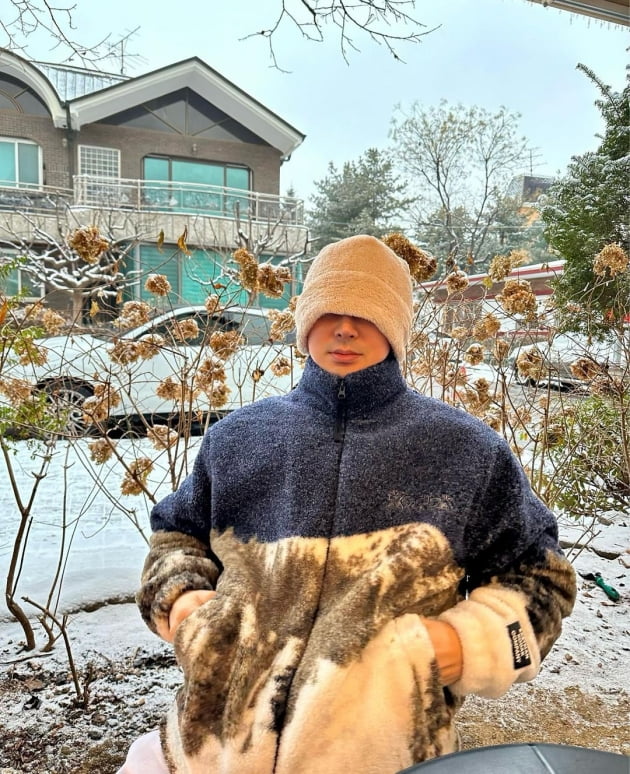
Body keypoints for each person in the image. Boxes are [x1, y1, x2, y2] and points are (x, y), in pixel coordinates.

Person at [118, 234, 576, 774]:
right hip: (205, 751)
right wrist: (186, 605)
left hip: (383, 755)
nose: (344, 327)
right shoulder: (239, 436)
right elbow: (178, 532)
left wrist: (459, 644)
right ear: (305, 320)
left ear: (397, 326)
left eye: (367, 312)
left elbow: (539, 578)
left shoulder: (465, 450)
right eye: (329, 310)